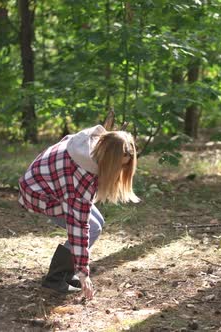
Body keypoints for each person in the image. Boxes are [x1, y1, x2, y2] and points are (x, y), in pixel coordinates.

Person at [18, 125, 139, 299]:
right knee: (92, 228)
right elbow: (78, 227)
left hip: (53, 184)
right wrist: (84, 273)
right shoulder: (83, 174)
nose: (119, 172)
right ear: (108, 160)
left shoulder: (93, 143)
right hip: (40, 192)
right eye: (117, 167)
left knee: (98, 223)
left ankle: (67, 272)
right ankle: (54, 280)